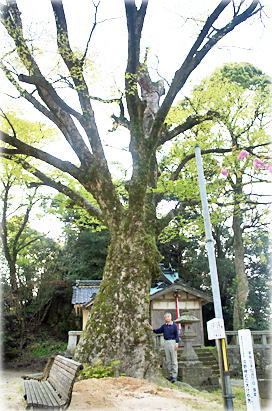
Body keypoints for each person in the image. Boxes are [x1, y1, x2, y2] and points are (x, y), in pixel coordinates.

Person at [149, 312, 179, 383]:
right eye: (165, 317)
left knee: (174, 359)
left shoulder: (174, 325)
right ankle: (170, 375)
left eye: (168, 317)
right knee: (168, 360)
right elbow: (158, 331)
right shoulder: (164, 326)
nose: (167, 318)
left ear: (171, 317)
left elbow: (177, 334)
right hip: (166, 342)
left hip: (173, 342)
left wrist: (177, 343)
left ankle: (174, 376)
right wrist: (152, 329)